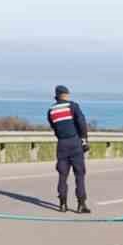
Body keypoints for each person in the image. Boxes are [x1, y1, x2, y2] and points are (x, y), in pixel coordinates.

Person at [46, 84, 91, 213]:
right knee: (79, 174)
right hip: (75, 142)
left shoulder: (51, 110)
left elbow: (54, 128)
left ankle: (62, 204)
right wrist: (84, 141)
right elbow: (81, 123)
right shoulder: (73, 106)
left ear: (56, 96)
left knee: (62, 175)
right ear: (65, 94)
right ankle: (81, 204)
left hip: (61, 144)